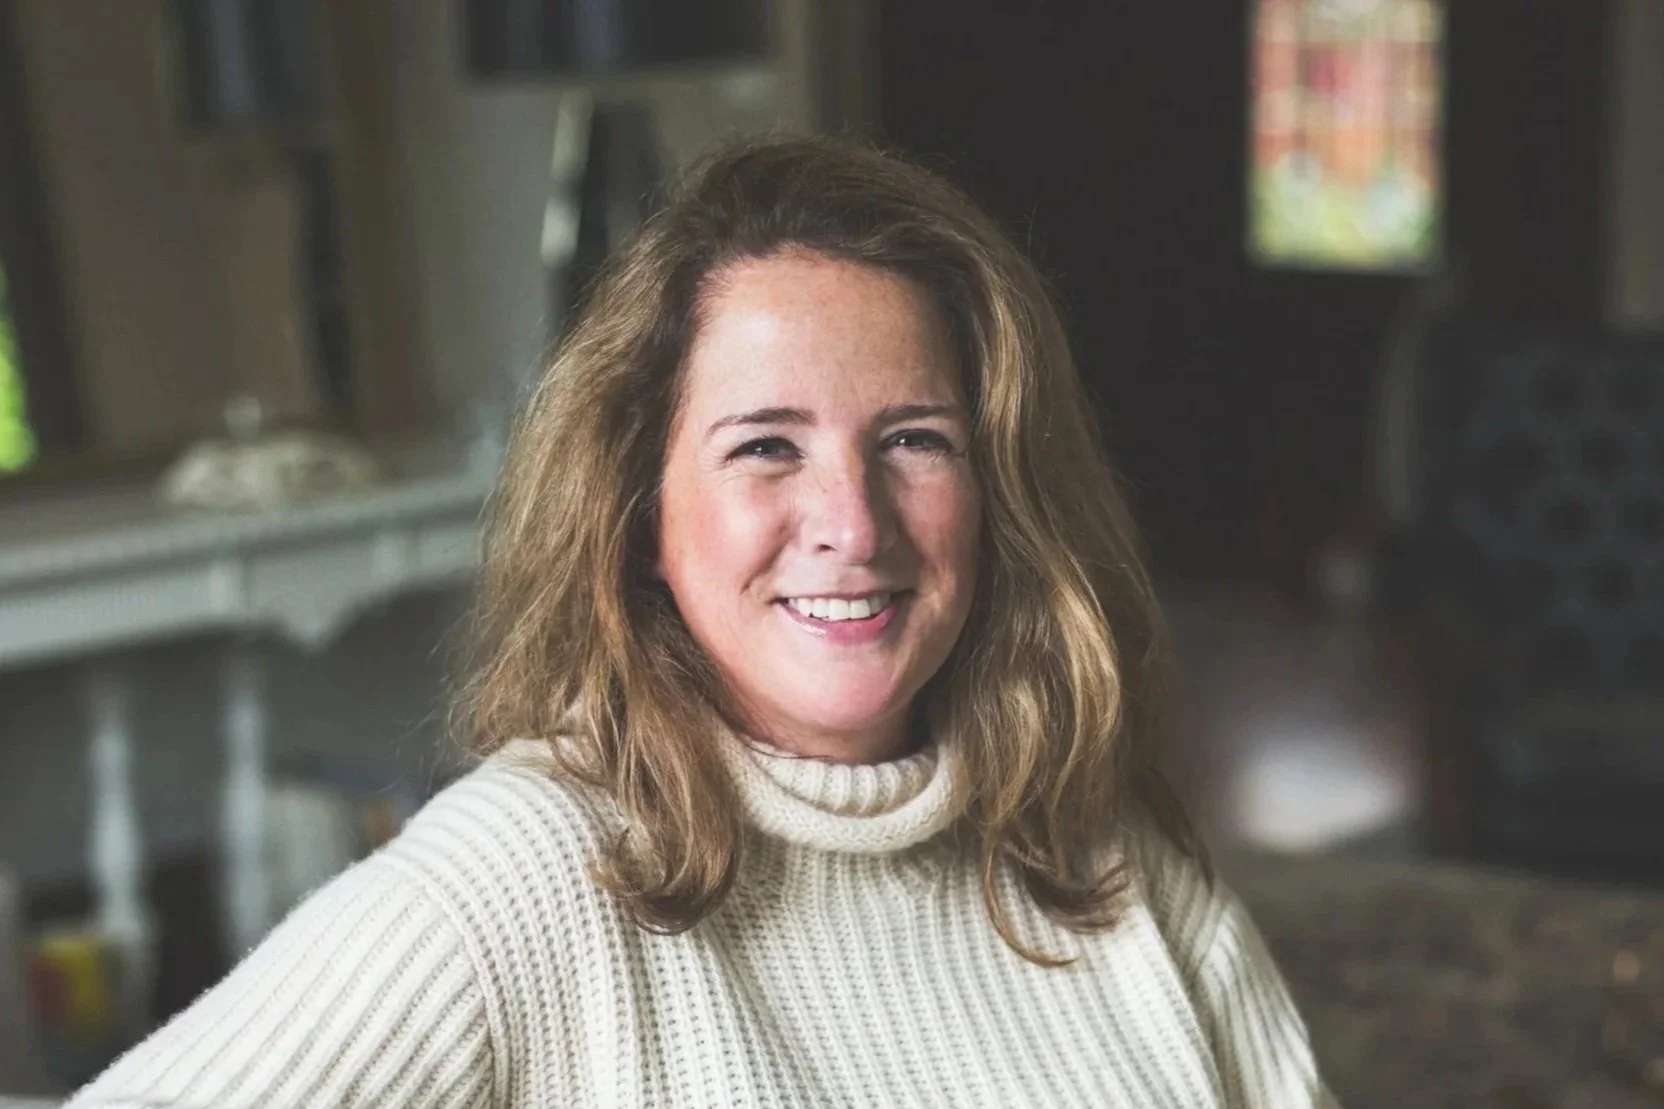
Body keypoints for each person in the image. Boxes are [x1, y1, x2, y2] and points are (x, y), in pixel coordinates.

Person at [69, 135, 1334, 1107]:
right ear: (638, 514)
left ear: (997, 490)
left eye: (912, 440)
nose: (852, 521)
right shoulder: (523, 875)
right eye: (765, 445)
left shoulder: (1094, 850)